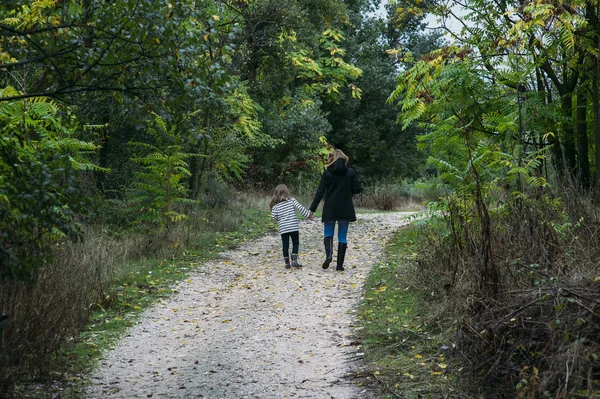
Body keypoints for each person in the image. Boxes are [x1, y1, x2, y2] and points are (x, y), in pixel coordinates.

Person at [309, 149, 361, 271]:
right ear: (344, 158)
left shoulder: (327, 173)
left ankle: (329, 256)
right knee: (342, 236)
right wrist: (348, 191)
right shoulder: (350, 172)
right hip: (345, 208)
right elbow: (358, 188)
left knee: (328, 233)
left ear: (331, 158)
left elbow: (320, 192)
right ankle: (339, 265)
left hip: (330, 208)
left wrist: (312, 209)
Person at [270, 184, 311, 269]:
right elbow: (300, 208)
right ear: (287, 192)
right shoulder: (292, 200)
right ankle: (294, 261)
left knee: (285, 245)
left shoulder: (276, 206)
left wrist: (278, 219)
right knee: (295, 243)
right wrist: (308, 214)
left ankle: (287, 263)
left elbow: (273, 218)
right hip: (293, 227)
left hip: (284, 229)